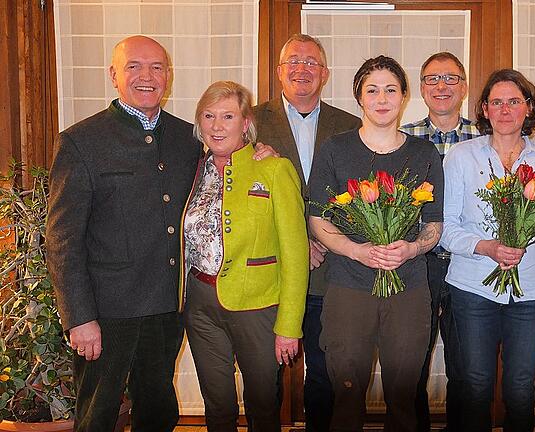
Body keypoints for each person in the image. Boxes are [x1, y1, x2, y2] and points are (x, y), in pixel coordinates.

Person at [47, 35, 201, 431]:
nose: (146, 76)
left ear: (169, 75)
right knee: (97, 416)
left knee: (157, 413)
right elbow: (62, 240)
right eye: (134, 66)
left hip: (166, 308)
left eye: (157, 67)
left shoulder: (189, 139)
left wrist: (260, 151)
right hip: (106, 313)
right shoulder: (81, 141)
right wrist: (78, 317)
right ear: (113, 75)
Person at [308, 55, 443, 431]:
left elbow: (434, 224)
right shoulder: (335, 149)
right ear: (359, 98)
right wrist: (357, 250)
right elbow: (318, 218)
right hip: (349, 286)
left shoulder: (423, 154)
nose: (381, 98)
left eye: (390, 90)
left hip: (409, 287)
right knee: (346, 395)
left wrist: (413, 248)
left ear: (403, 97)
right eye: (372, 90)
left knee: (404, 398)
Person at [440, 68, 535, 431]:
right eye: (496, 102)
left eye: (514, 101)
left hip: (530, 294)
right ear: (483, 109)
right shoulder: (461, 157)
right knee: (475, 385)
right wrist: (485, 246)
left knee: (519, 388)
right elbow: (445, 229)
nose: (505, 109)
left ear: (528, 108)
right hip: (472, 289)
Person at [180, 80, 309, 431]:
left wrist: (289, 325)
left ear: (245, 122)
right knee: (217, 403)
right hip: (201, 303)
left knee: (263, 404)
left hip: (258, 304)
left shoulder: (273, 168)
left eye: (227, 116)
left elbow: (296, 255)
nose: (217, 126)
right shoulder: (190, 170)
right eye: (208, 116)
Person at [252, 34, 361, 432]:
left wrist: (324, 239)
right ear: (279, 72)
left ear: (325, 74)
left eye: (311, 63)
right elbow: (239, 198)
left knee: (324, 373)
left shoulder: (350, 126)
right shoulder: (249, 122)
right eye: (292, 62)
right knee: (264, 376)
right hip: (270, 272)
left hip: (328, 273)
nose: (302, 69)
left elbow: (358, 197)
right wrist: (298, 241)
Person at [400, 51, 482, 432]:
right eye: (432, 78)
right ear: (421, 88)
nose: (442, 86)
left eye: (451, 78)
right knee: (412, 361)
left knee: (466, 368)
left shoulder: (483, 139)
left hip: (468, 266)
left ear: (464, 87)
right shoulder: (405, 140)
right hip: (417, 265)